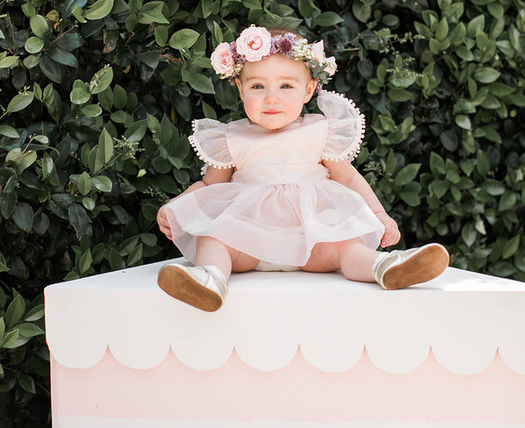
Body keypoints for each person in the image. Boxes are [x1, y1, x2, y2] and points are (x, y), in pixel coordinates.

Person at [156, 25, 449, 310]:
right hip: (248, 241)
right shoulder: (231, 137)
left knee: (346, 245)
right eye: (258, 86)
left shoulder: (320, 131)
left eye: (286, 86)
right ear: (240, 90)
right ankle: (210, 280)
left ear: (308, 90)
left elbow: (348, 177)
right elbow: (209, 186)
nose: (272, 97)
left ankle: (385, 266)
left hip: (312, 241)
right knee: (214, 238)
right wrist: (175, 206)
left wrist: (379, 214)